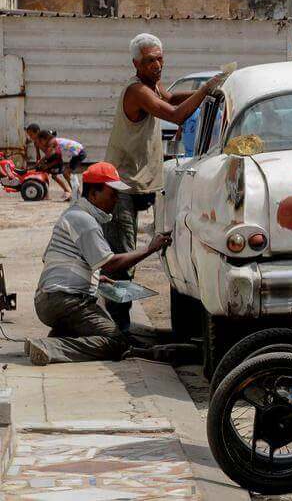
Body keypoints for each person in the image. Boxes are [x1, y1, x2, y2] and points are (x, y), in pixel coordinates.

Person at [105, 33, 225, 331]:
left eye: (160, 58)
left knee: (129, 252)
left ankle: (121, 327)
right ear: (136, 63)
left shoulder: (151, 85)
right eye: (150, 61)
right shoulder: (137, 91)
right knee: (122, 258)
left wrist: (209, 93)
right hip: (121, 185)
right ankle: (118, 331)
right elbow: (175, 114)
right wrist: (206, 89)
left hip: (138, 181)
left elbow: (171, 98)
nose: (157, 65)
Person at [25, 162, 171, 365]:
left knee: (96, 324)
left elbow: (52, 258)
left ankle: (55, 340)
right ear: (93, 193)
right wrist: (150, 248)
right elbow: (111, 263)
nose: (116, 200)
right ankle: (52, 347)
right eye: (112, 194)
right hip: (64, 301)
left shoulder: (72, 214)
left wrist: (92, 276)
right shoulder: (85, 221)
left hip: (49, 300)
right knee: (115, 341)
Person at [35, 129, 86, 201]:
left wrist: (40, 162)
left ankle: (77, 194)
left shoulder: (52, 142)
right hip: (78, 152)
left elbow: (48, 155)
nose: (41, 143)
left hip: (79, 153)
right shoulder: (53, 140)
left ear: (44, 138)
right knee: (67, 173)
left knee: (66, 173)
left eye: (41, 141)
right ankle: (77, 194)